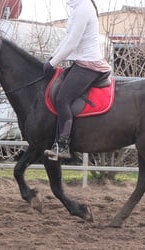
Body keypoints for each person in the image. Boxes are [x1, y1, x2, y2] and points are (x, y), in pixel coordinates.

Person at [43, 0, 112, 160]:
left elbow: (72, 44)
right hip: (80, 62)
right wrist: (52, 57)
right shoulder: (78, 8)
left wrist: (53, 63)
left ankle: (63, 145)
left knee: (62, 99)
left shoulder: (83, 9)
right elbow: (67, 39)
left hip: (88, 65)